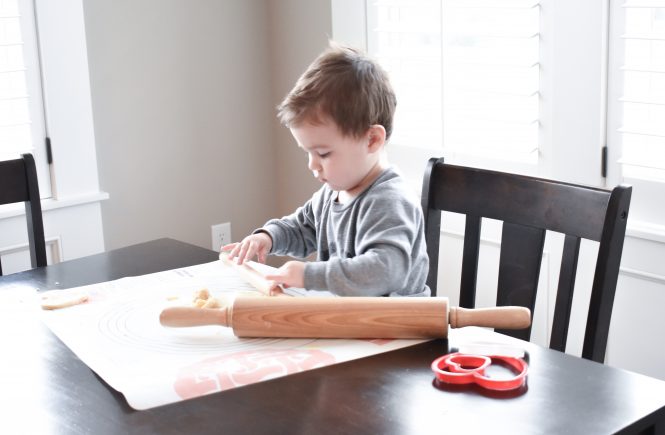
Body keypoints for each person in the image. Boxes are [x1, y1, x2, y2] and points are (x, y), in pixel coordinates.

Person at [223, 42, 430, 297]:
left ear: (372, 140)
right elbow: (301, 228)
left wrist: (308, 275)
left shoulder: (389, 201)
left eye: (323, 154)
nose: (312, 165)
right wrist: (268, 236)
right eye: (308, 152)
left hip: (396, 330)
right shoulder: (332, 193)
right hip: (350, 324)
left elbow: (385, 272)